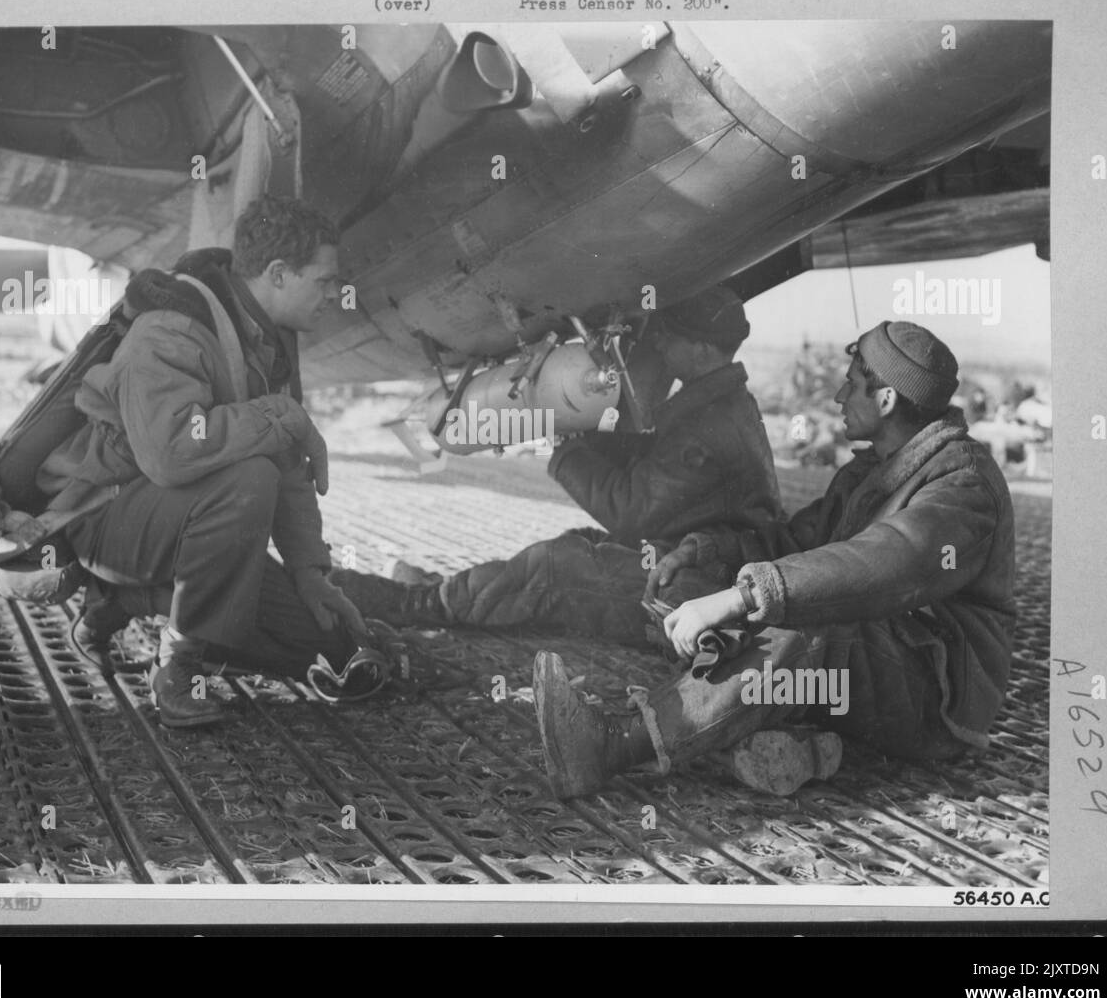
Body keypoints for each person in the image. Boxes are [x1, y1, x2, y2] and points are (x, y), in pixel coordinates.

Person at [534, 320, 1017, 798]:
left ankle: (611, 745)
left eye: (851, 385)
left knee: (811, 618)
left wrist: (742, 597)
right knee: (691, 584)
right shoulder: (873, 469)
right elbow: (797, 541)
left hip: (934, 703)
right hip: (871, 670)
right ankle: (750, 724)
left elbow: (876, 568)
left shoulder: (963, 485)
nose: (838, 398)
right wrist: (707, 551)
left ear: (886, 400)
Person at [36, 196, 375, 727]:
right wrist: (278, 414)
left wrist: (311, 574)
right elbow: (171, 453)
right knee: (249, 477)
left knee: (323, 642)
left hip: (172, 519)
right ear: (279, 274)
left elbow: (284, 459)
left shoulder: (269, 334)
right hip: (104, 513)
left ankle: (125, 599)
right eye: (325, 280)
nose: (337, 293)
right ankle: (179, 664)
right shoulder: (172, 328)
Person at [333, 290, 783, 639]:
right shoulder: (721, 405)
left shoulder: (708, 425)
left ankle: (417, 604)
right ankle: (450, 592)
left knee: (556, 566)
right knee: (578, 542)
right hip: (698, 560)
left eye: (673, 336)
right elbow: (649, 473)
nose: (660, 343)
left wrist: (565, 449)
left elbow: (631, 512)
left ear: (704, 350)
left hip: (697, 588)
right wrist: (582, 431)